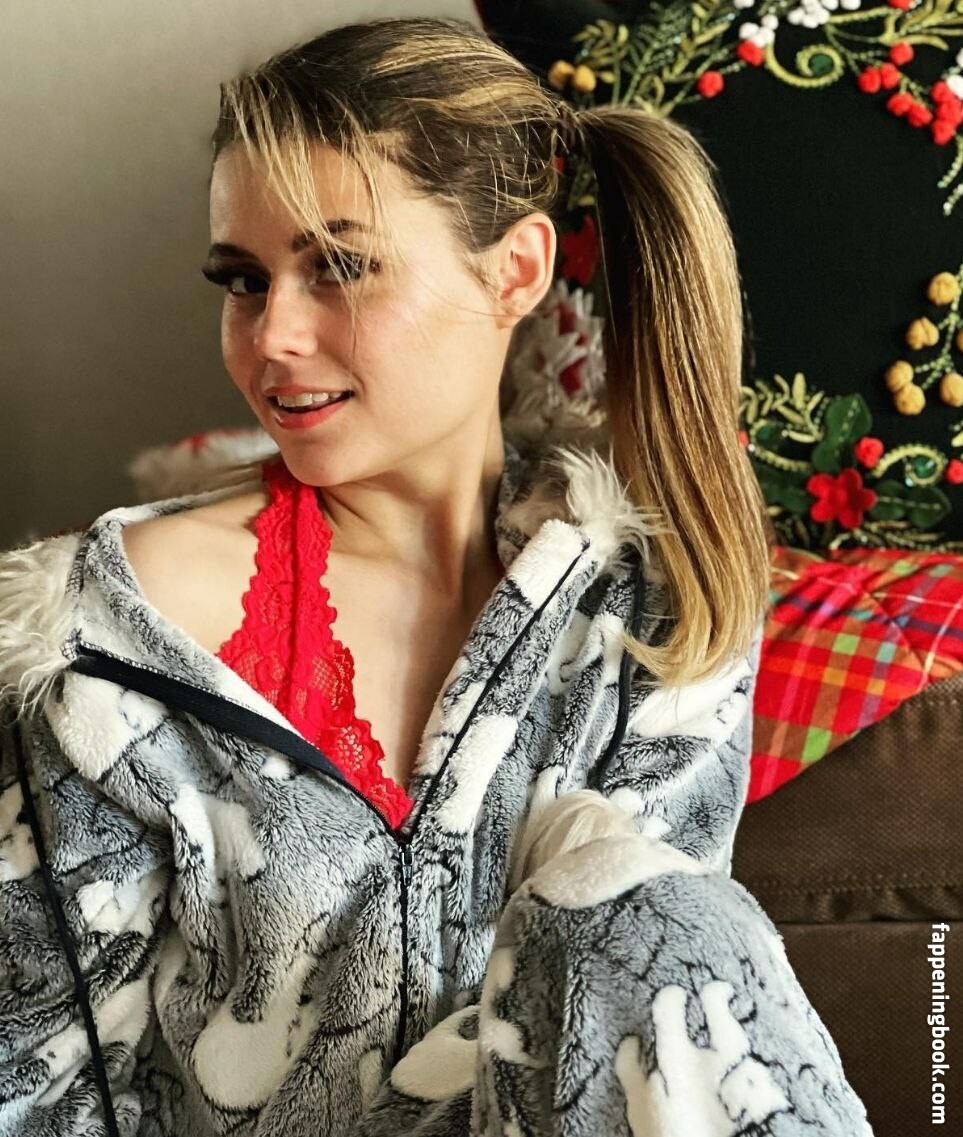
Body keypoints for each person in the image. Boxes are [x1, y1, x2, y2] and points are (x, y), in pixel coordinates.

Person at [0, 14, 873, 1137]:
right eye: (245, 280)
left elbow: (655, 1050)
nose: (272, 337)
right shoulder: (109, 637)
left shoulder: (650, 606)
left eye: (338, 267)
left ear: (515, 271)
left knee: (656, 913)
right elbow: (37, 1080)